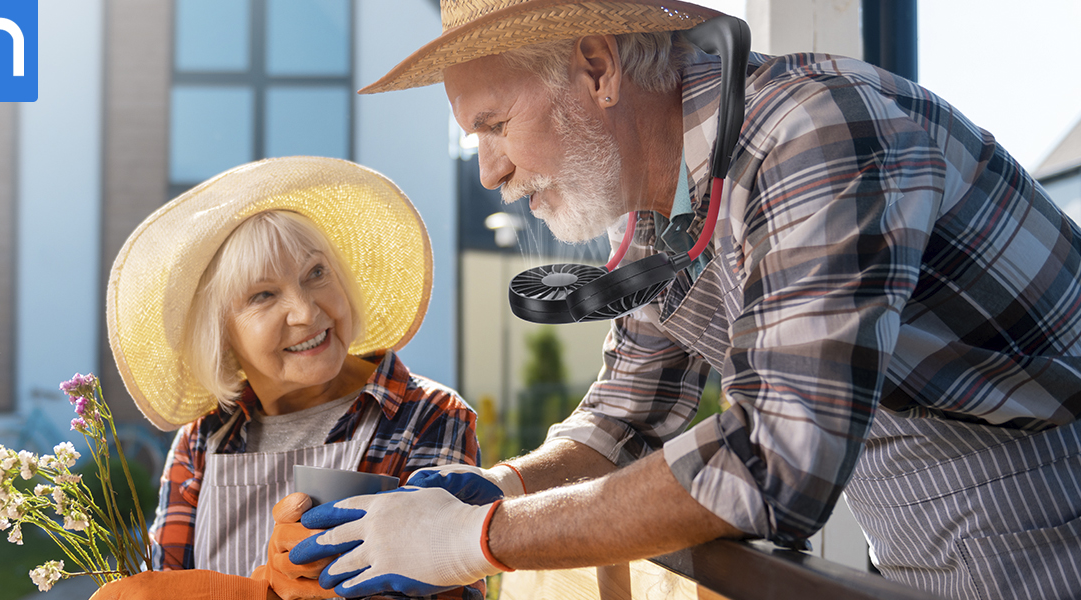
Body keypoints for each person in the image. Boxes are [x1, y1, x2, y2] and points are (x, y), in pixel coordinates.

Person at [289, 2, 1081, 599]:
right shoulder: (656, 214)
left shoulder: (816, 134)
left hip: (1047, 505)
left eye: (494, 124)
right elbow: (625, 419)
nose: (489, 171)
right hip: (913, 529)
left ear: (598, 68)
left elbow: (772, 462)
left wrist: (477, 537)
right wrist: (501, 486)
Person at [95, 156, 486, 600]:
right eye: (263, 295)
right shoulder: (204, 440)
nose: (306, 311)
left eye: (316, 273)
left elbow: (449, 590)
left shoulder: (427, 416)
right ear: (220, 333)